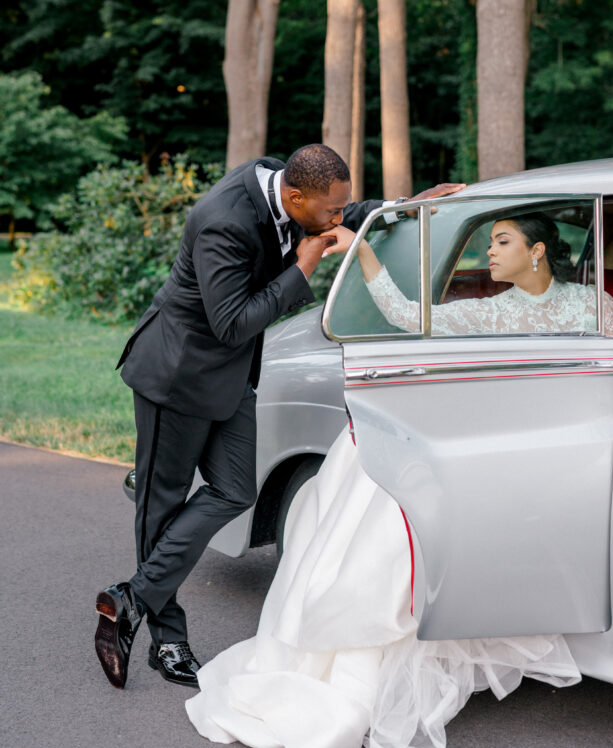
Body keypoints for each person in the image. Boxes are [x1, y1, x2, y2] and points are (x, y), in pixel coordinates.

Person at [184, 212, 613, 748]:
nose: (488, 254)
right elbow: (403, 315)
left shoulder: (595, 307)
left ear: (537, 250)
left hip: (576, 448)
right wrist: (363, 250)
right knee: (396, 534)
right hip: (504, 449)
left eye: (501, 242)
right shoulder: (491, 311)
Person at [94, 142, 460, 690]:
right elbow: (232, 323)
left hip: (234, 379)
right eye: (330, 213)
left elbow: (348, 211)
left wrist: (408, 205)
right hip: (177, 376)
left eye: (342, 208)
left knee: (237, 491)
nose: (338, 220)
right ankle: (168, 641)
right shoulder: (222, 223)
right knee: (161, 507)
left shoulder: (293, 185)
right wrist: (304, 265)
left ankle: (130, 597)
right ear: (294, 197)